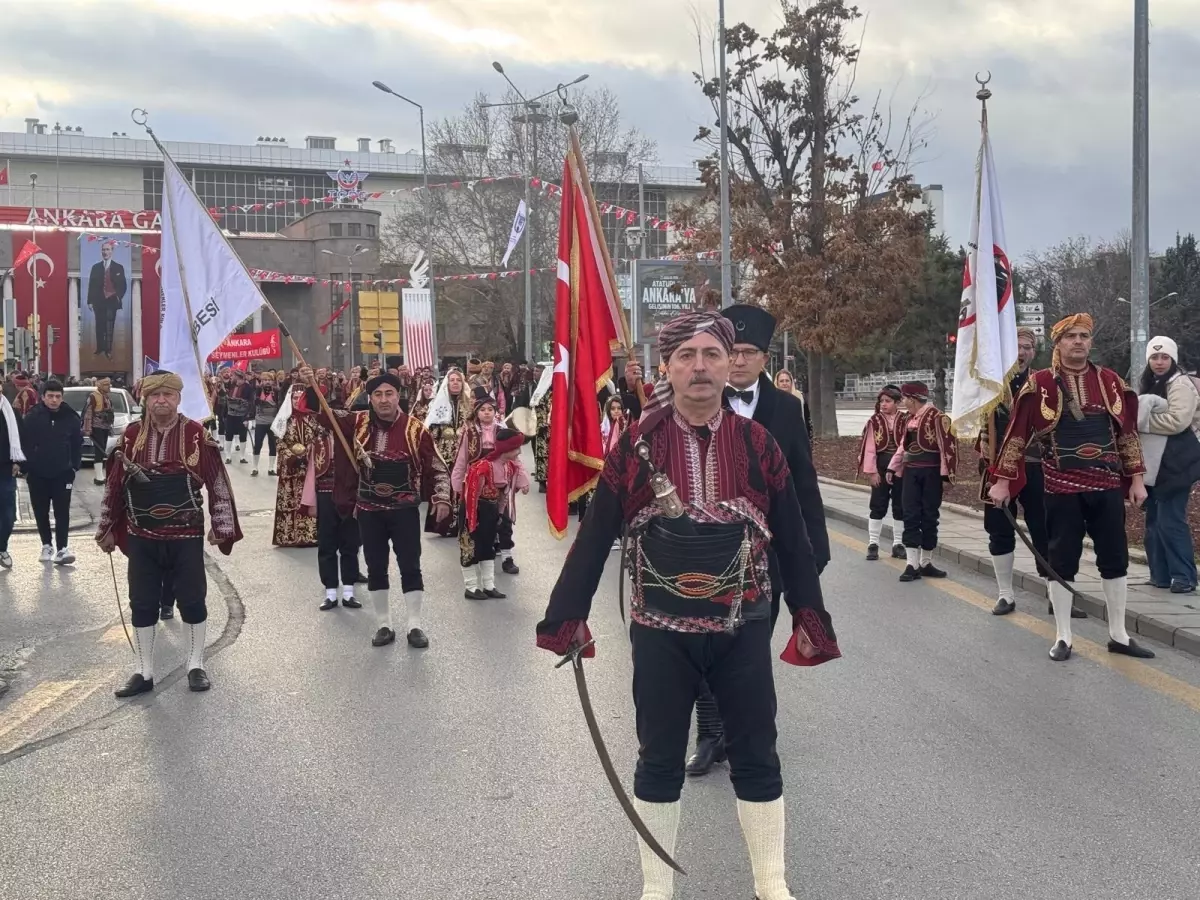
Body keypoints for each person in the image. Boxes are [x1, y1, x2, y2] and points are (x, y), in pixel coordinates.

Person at [536, 310, 839, 900]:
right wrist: (566, 616)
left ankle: (772, 885)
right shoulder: (635, 448)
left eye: (712, 355)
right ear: (667, 368)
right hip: (658, 631)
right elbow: (596, 535)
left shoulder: (760, 444)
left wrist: (808, 612)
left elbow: (794, 538)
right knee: (659, 758)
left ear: (731, 365)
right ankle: (656, 889)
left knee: (756, 752)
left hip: (743, 625)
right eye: (686, 357)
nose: (700, 367)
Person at [683, 303, 832, 778]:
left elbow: (804, 483)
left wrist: (814, 546)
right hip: (708, 550)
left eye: (750, 352)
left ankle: (750, 737)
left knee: (750, 653)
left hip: (769, 555)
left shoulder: (787, 409)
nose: (741, 360)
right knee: (707, 650)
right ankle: (709, 736)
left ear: (766, 358)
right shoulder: (698, 400)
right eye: (734, 351)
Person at [989, 313, 1152, 661]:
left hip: (1106, 485)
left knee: (1115, 557)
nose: (1078, 341)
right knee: (1061, 559)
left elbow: (1127, 435)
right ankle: (1063, 635)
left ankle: (1118, 635)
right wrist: (1002, 482)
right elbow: (1016, 437)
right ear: (1058, 343)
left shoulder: (1110, 381)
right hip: (1061, 487)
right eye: (1071, 336)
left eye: (1084, 336)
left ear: (1090, 342)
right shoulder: (1040, 385)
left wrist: (1137, 479)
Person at [96, 371, 243, 695]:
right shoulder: (130, 437)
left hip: (185, 535)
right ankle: (144, 672)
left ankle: (195, 665)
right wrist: (106, 528)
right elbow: (114, 486)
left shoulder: (195, 435)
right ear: (146, 400)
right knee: (143, 603)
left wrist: (223, 527)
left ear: (178, 399)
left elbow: (217, 481)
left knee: (192, 600)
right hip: (142, 535)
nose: (161, 401)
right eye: (155, 396)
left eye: (168, 395)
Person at [299, 366, 452, 648]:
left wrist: (442, 497)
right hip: (369, 510)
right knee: (376, 566)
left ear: (398, 396)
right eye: (378, 394)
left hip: (404, 509)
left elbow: (437, 466)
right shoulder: (355, 422)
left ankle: (414, 626)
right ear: (370, 398)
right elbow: (322, 414)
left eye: (389, 394)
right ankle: (384, 625)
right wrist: (311, 384)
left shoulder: (416, 429)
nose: (384, 399)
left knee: (410, 566)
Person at [980, 328, 1085, 618]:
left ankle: (1056, 596)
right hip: (997, 468)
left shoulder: (1044, 383)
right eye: (1016, 347)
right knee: (999, 530)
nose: (1022, 352)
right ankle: (1005, 594)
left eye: (1027, 347)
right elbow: (979, 427)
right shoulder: (990, 387)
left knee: (1045, 529)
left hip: (1037, 466)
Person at [1136, 335, 1200, 594]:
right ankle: (1160, 575)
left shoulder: (1180, 384)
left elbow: (1178, 421)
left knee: (1170, 520)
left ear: (1173, 359)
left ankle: (1184, 576)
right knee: (1154, 521)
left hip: (1180, 461)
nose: (1159, 362)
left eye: (1164, 357)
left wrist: (1142, 423)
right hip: (1159, 464)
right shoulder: (1153, 383)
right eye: (1154, 357)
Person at [887, 382, 957, 582]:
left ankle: (925, 562)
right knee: (910, 514)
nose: (904, 403)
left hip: (931, 473)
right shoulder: (910, 419)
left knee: (929, 515)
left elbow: (948, 447)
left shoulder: (938, 418)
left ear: (913, 398)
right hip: (911, 473)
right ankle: (911, 563)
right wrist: (894, 466)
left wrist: (946, 475)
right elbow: (903, 447)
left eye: (905, 399)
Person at [452, 387, 519, 591]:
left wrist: (520, 480)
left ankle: (491, 582)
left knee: (497, 529)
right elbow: (461, 460)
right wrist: (456, 487)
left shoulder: (501, 431)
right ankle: (472, 586)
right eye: (483, 410)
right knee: (470, 534)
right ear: (477, 412)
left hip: (497, 489)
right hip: (473, 490)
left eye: (490, 409)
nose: (487, 413)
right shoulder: (469, 433)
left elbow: (516, 458)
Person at [458, 427, 529, 599]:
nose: (519, 452)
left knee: (488, 546)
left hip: (490, 509)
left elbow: (504, 494)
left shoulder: (510, 467)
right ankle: (471, 586)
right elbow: (472, 496)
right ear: (506, 449)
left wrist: (499, 514)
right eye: (516, 448)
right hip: (473, 509)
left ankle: (489, 585)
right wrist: (471, 520)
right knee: (470, 546)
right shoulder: (482, 467)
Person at [19, 380, 83, 566]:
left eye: (57, 397)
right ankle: (46, 545)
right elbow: (24, 443)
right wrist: (26, 468)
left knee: (62, 511)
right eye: (50, 396)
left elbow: (77, 445)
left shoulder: (70, 418)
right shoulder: (32, 417)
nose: (54, 400)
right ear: (43, 397)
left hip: (63, 473)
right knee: (41, 510)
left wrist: (74, 467)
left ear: (62, 398)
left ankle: (62, 548)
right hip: (37, 474)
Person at [858, 385, 907, 561]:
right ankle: (873, 543)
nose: (883, 404)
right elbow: (870, 448)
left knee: (900, 505)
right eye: (881, 401)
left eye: (888, 401)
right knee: (878, 504)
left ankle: (898, 543)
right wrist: (872, 472)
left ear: (897, 403)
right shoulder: (874, 421)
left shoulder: (906, 419)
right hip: (880, 466)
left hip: (901, 467)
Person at [423, 368, 471, 536]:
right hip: (445, 452)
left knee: (464, 486)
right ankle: (447, 524)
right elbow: (432, 429)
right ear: (447, 384)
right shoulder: (439, 403)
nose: (456, 383)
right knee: (446, 486)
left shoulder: (469, 403)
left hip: (465, 451)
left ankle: (465, 521)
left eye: (458, 380)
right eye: (452, 380)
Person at [272, 384, 319, 549]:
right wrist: (291, 457)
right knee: (291, 499)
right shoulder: (283, 419)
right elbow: (278, 442)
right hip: (290, 466)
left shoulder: (312, 418)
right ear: (289, 399)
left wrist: (308, 455)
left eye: (300, 398)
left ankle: (309, 535)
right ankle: (288, 536)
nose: (297, 401)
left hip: (309, 465)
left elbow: (319, 439)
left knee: (308, 498)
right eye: (294, 398)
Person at [86, 241, 127, 358]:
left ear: (112, 251)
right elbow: (91, 285)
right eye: (104, 250)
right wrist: (90, 301)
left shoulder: (119, 267)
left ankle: (108, 350)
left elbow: (123, 285)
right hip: (98, 300)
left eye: (108, 249)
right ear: (101, 252)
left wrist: (118, 296)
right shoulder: (96, 267)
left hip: (112, 300)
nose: (105, 252)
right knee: (99, 325)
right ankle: (100, 348)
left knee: (109, 325)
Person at [0, 391, 25, 570]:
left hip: (6, 469)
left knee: (8, 515)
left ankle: (2, 548)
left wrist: (17, 461)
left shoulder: (10, 411)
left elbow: (21, 436)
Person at [81, 377, 116, 485]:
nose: (109, 387)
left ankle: (101, 476)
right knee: (99, 450)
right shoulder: (93, 396)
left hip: (105, 426)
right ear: (100, 385)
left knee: (102, 449)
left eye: (109, 385)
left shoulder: (106, 397)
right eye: (106, 385)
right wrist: (88, 428)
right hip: (97, 426)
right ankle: (99, 477)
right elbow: (88, 413)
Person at [251, 374, 280, 477]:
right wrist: (247, 418)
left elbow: (280, 405)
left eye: (269, 380)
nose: (267, 381)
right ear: (261, 381)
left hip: (273, 423)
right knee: (258, 444)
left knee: (273, 445)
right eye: (265, 379)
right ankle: (255, 467)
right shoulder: (257, 391)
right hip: (260, 422)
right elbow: (252, 404)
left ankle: (271, 468)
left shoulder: (276, 391)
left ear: (272, 381)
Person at [222, 370, 253, 464]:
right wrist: (224, 414)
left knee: (243, 435)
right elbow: (226, 400)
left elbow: (250, 402)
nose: (233, 378)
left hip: (242, 415)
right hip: (230, 414)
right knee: (229, 434)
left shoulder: (248, 387)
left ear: (241, 378)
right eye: (233, 377)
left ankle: (242, 456)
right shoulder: (231, 385)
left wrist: (247, 418)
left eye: (235, 376)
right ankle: (228, 456)